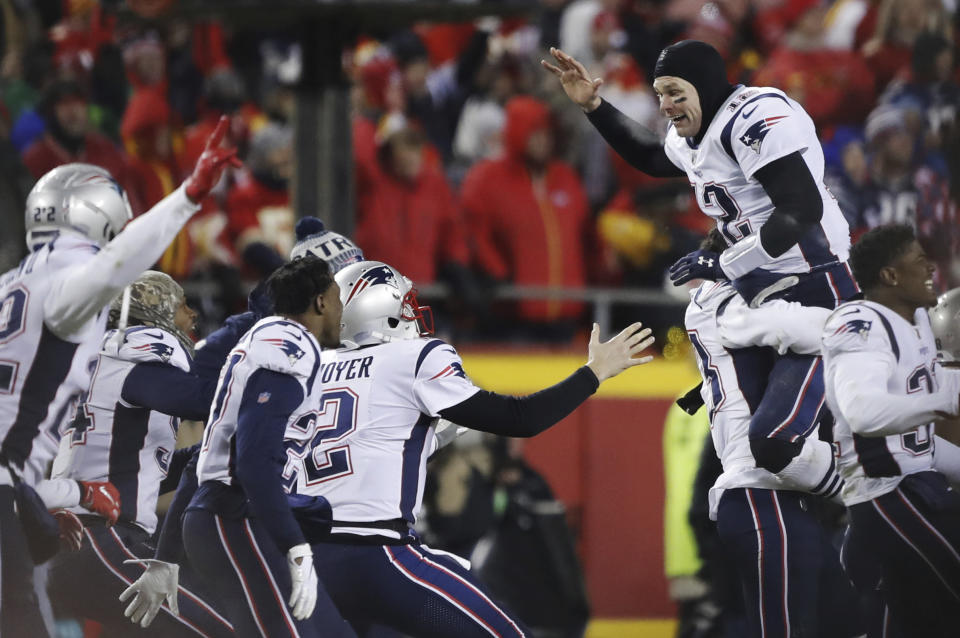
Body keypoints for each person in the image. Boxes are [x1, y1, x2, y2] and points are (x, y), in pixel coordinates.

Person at [543, 39, 858, 496]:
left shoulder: (752, 117)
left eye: (675, 92)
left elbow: (801, 209)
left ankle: (855, 494)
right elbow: (653, 157)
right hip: (763, 295)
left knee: (773, 443)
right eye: (659, 94)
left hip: (816, 286)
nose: (665, 105)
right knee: (749, 464)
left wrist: (726, 263)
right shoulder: (696, 132)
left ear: (705, 87)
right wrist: (594, 106)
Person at [284, 259, 655, 637]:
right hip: (379, 557)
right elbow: (519, 418)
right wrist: (593, 373)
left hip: (305, 564)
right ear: (382, 311)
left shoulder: (308, 368)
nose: (412, 315)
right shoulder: (414, 358)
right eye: (404, 307)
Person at [0, 116, 238, 636]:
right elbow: (117, 267)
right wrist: (190, 194)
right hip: (59, 519)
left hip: (32, 504)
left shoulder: (13, 285)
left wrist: (73, 495)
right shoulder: (70, 288)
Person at [682, 231, 861, 637]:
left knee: (844, 622)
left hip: (781, 494)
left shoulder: (722, 306)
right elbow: (817, 328)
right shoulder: (722, 302)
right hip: (761, 492)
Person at [44, 272, 231, 637]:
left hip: (80, 541)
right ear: (157, 313)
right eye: (181, 307)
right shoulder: (135, 361)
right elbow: (201, 401)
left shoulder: (105, 363)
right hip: (100, 538)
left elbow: (140, 471)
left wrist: (200, 455)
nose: (191, 317)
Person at [183, 256, 355, 638]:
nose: (343, 310)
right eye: (339, 298)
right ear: (321, 302)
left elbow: (203, 463)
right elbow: (255, 459)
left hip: (228, 512)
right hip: (235, 514)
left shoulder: (273, 337)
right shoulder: (291, 343)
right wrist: (295, 545)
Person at [821, 224, 960, 637]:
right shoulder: (860, 321)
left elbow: (919, 447)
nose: (930, 267)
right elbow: (863, 413)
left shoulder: (918, 323)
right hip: (885, 495)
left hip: (918, 487)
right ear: (890, 275)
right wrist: (949, 402)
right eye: (919, 260)